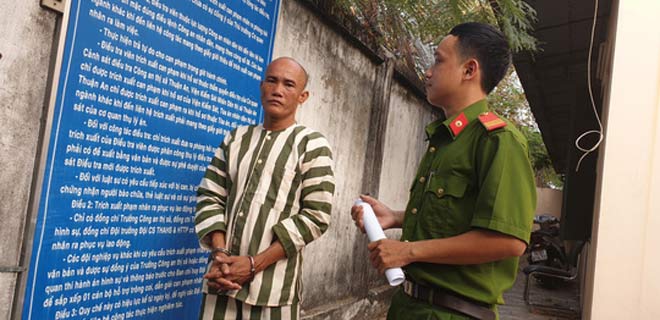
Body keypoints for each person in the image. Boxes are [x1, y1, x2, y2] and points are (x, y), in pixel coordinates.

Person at [351, 22, 536, 320]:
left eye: (438, 60)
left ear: (469, 70)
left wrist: (407, 251)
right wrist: (395, 216)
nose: (427, 71)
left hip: (452, 313)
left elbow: (509, 240)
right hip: (410, 306)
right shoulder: (446, 138)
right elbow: (454, 215)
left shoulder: (498, 140)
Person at [195, 57, 335, 320]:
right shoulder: (236, 138)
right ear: (261, 86)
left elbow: (316, 216)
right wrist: (221, 254)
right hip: (221, 284)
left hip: (273, 295)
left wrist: (253, 265)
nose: (278, 89)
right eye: (272, 80)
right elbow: (210, 195)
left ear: (302, 96)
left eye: (289, 84)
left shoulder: (311, 145)